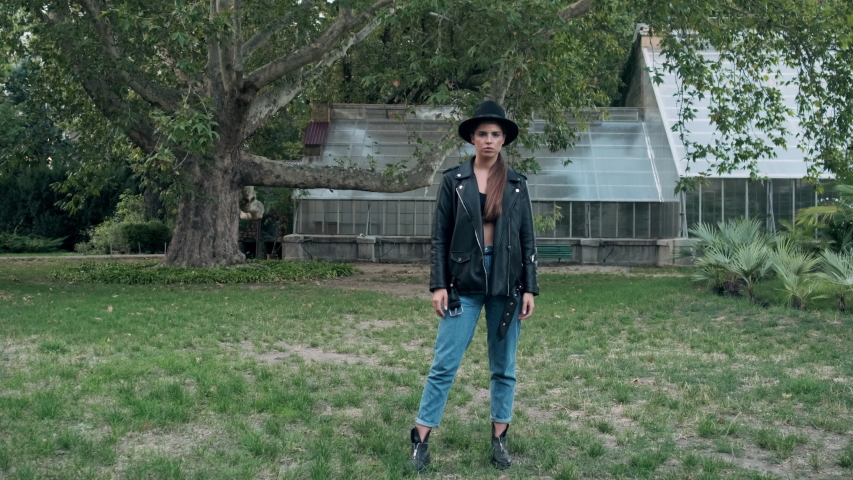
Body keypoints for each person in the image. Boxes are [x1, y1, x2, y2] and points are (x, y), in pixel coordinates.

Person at [407, 101, 539, 473]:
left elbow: (528, 239)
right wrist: (438, 284)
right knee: (444, 363)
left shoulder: (516, 184)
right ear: (472, 138)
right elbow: (439, 237)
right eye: (482, 134)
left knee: (504, 367)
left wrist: (529, 288)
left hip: (506, 280)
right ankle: (420, 439)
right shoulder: (454, 181)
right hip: (462, 281)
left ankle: (499, 439)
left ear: (504, 139)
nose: (489, 140)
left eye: (495, 134)